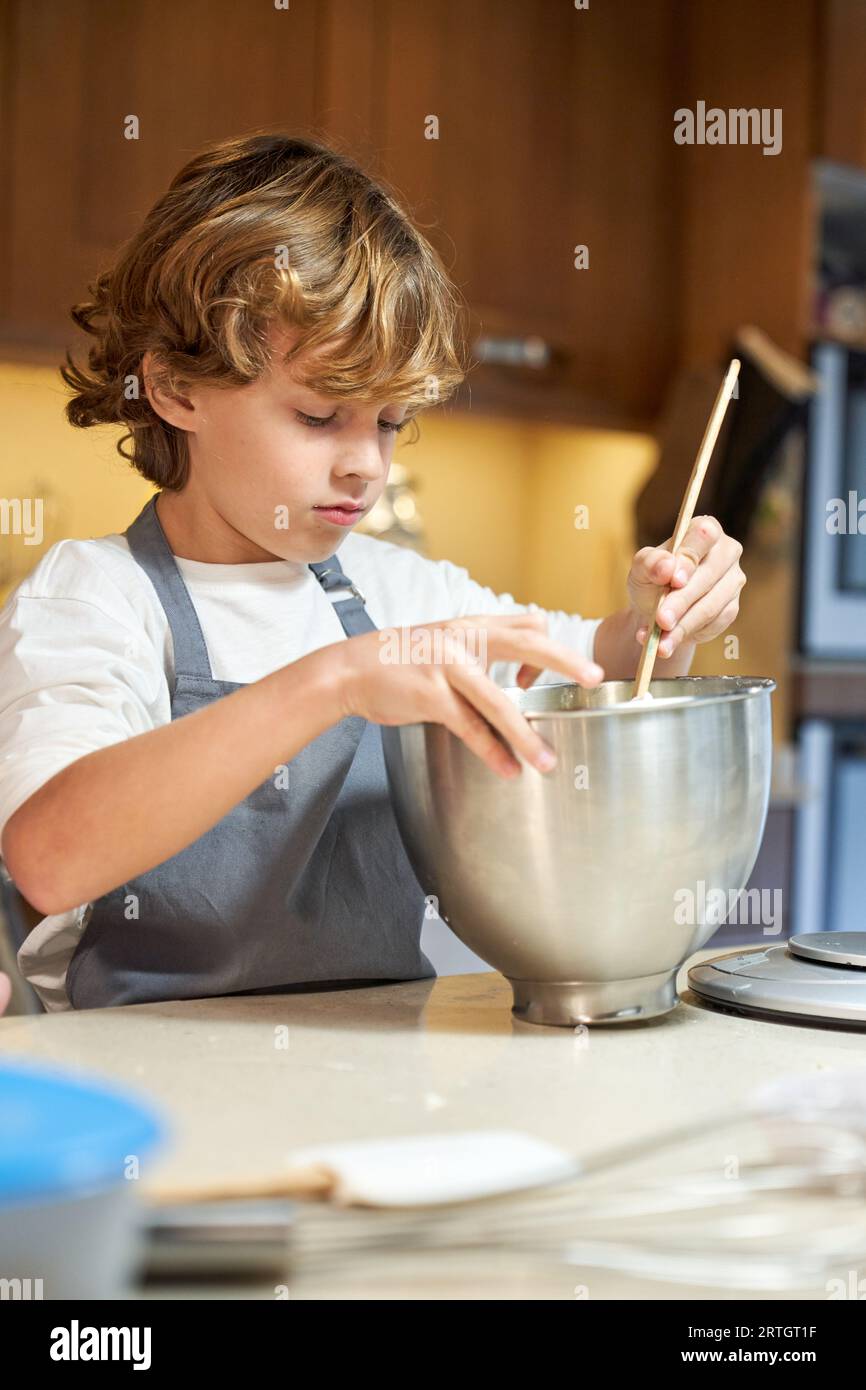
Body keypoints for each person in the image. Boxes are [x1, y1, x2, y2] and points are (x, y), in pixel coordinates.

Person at [0, 134, 745, 1013]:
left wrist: (663, 614)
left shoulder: (396, 591)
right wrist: (336, 680)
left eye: (391, 422)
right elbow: (51, 858)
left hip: (372, 1073)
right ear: (174, 390)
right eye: (320, 415)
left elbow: (600, 679)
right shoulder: (98, 595)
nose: (366, 465)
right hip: (139, 1085)